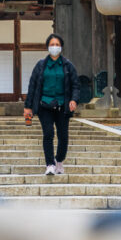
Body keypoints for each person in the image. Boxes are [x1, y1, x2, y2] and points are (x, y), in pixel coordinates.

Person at [24, 33, 81, 175]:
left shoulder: (68, 66)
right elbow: (32, 86)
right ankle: (49, 164)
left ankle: (59, 161)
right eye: (52, 45)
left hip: (63, 106)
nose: (54, 47)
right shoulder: (41, 65)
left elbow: (76, 85)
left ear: (61, 47)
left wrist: (74, 99)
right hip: (44, 105)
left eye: (57, 45)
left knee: (63, 136)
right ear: (47, 47)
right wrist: (27, 107)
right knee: (48, 134)